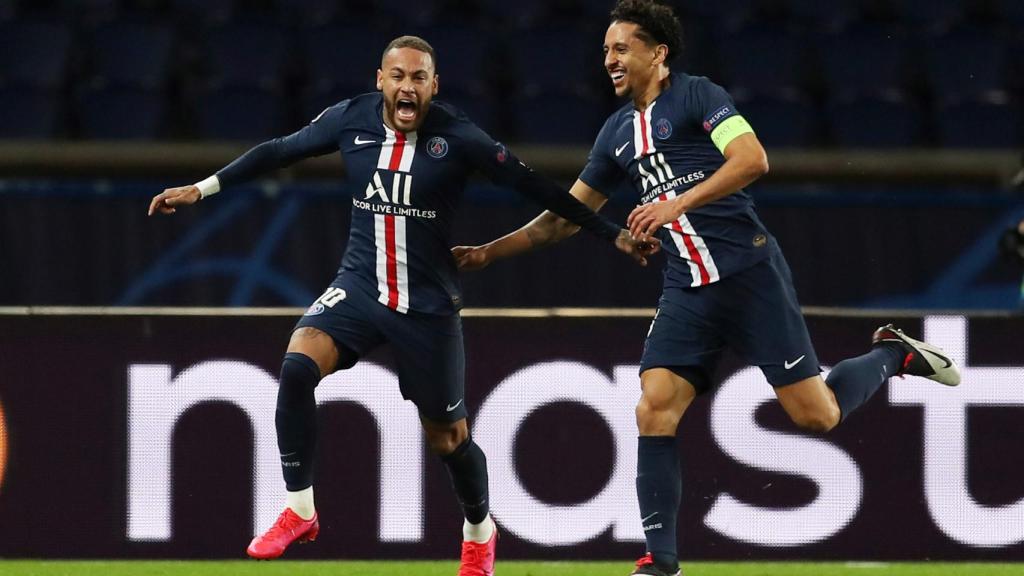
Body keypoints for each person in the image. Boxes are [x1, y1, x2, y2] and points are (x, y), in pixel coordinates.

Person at [451, 2, 961, 575]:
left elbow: (752, 159)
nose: (610, 60)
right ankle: (660, 562)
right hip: (687, 290)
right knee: (654, 409)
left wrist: (677, 203)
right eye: (605, 51)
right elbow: (563, 218)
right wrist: (488, 252)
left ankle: (892, 353)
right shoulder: (616, 133)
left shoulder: (700, 96)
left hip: (749, 275)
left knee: (816, 417)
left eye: (621, 48)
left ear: (658, 53)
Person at [148, 35, 654, 575]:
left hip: (428, 305)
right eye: (397, 76)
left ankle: (480, 532)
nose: (407, 87)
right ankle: (300, 509)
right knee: (297, 365)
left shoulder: (458, 136)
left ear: (434, 86)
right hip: (360, 287)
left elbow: (534, 187)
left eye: (418, 78)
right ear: (380, 81)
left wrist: (610, 233)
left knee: (449, 439)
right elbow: (279, 150)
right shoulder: (351, 119)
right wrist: (201, 189)